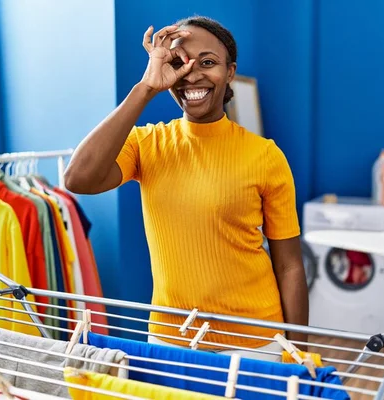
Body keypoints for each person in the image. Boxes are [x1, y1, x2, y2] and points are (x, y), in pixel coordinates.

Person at [64, 16, 308, 360]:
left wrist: (301, 355)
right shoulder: (147, 144)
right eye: (180, 63)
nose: (192, 74)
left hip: (257, 344)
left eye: (208, 62)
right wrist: (146, 87)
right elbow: (78, 179)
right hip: (169, 340)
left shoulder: (265, 155)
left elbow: (290, 266)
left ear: (230, 72)